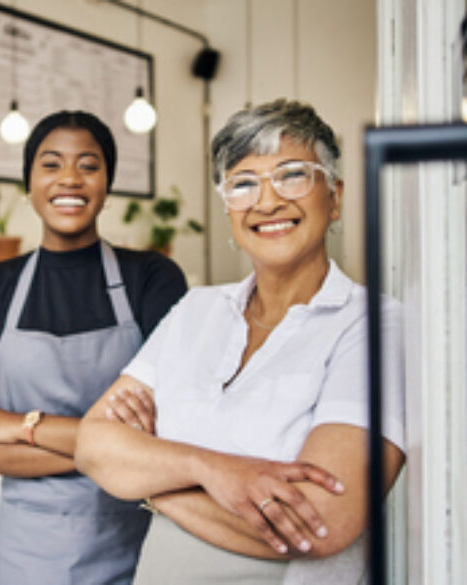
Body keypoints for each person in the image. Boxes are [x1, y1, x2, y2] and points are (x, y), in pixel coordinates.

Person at [76, 99, 406, 584]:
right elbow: (93, 444)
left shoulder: (375, 324)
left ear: (333, 197)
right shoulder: (196, 311)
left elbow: (321, 522)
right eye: (244, 184)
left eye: (292, 175)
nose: (267, 202)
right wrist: (211, 469)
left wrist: (153, 485)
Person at [0, 110, 188, 585]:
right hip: (28, 558)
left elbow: (167, 429)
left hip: (137, 550)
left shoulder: (152, 278)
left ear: (107, 184)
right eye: (51, 164)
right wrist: (114, 448)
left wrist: (15, 426)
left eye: (89, 165)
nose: (70, 178)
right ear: (29, 183)